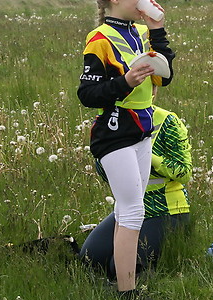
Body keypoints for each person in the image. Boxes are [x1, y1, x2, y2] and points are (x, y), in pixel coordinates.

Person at [77, 0, 174, 300]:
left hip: (142, 131)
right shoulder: (99, 39)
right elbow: (87, 95)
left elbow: (165, 76)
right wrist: (125, 82)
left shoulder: (141, 32)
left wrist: (158, 30)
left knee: (128, 212)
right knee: (133, 211)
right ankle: (128, 295)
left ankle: (123, 284)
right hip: (114, 133)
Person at [80, 94, 192, 283]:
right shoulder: (109, 121)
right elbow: (107, 175)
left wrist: (146, 156)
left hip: (166, 210)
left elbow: (184, 172)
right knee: (90, 259)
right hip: (127, 208)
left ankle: (143, 285)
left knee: (120, 268)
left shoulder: (167, 121)